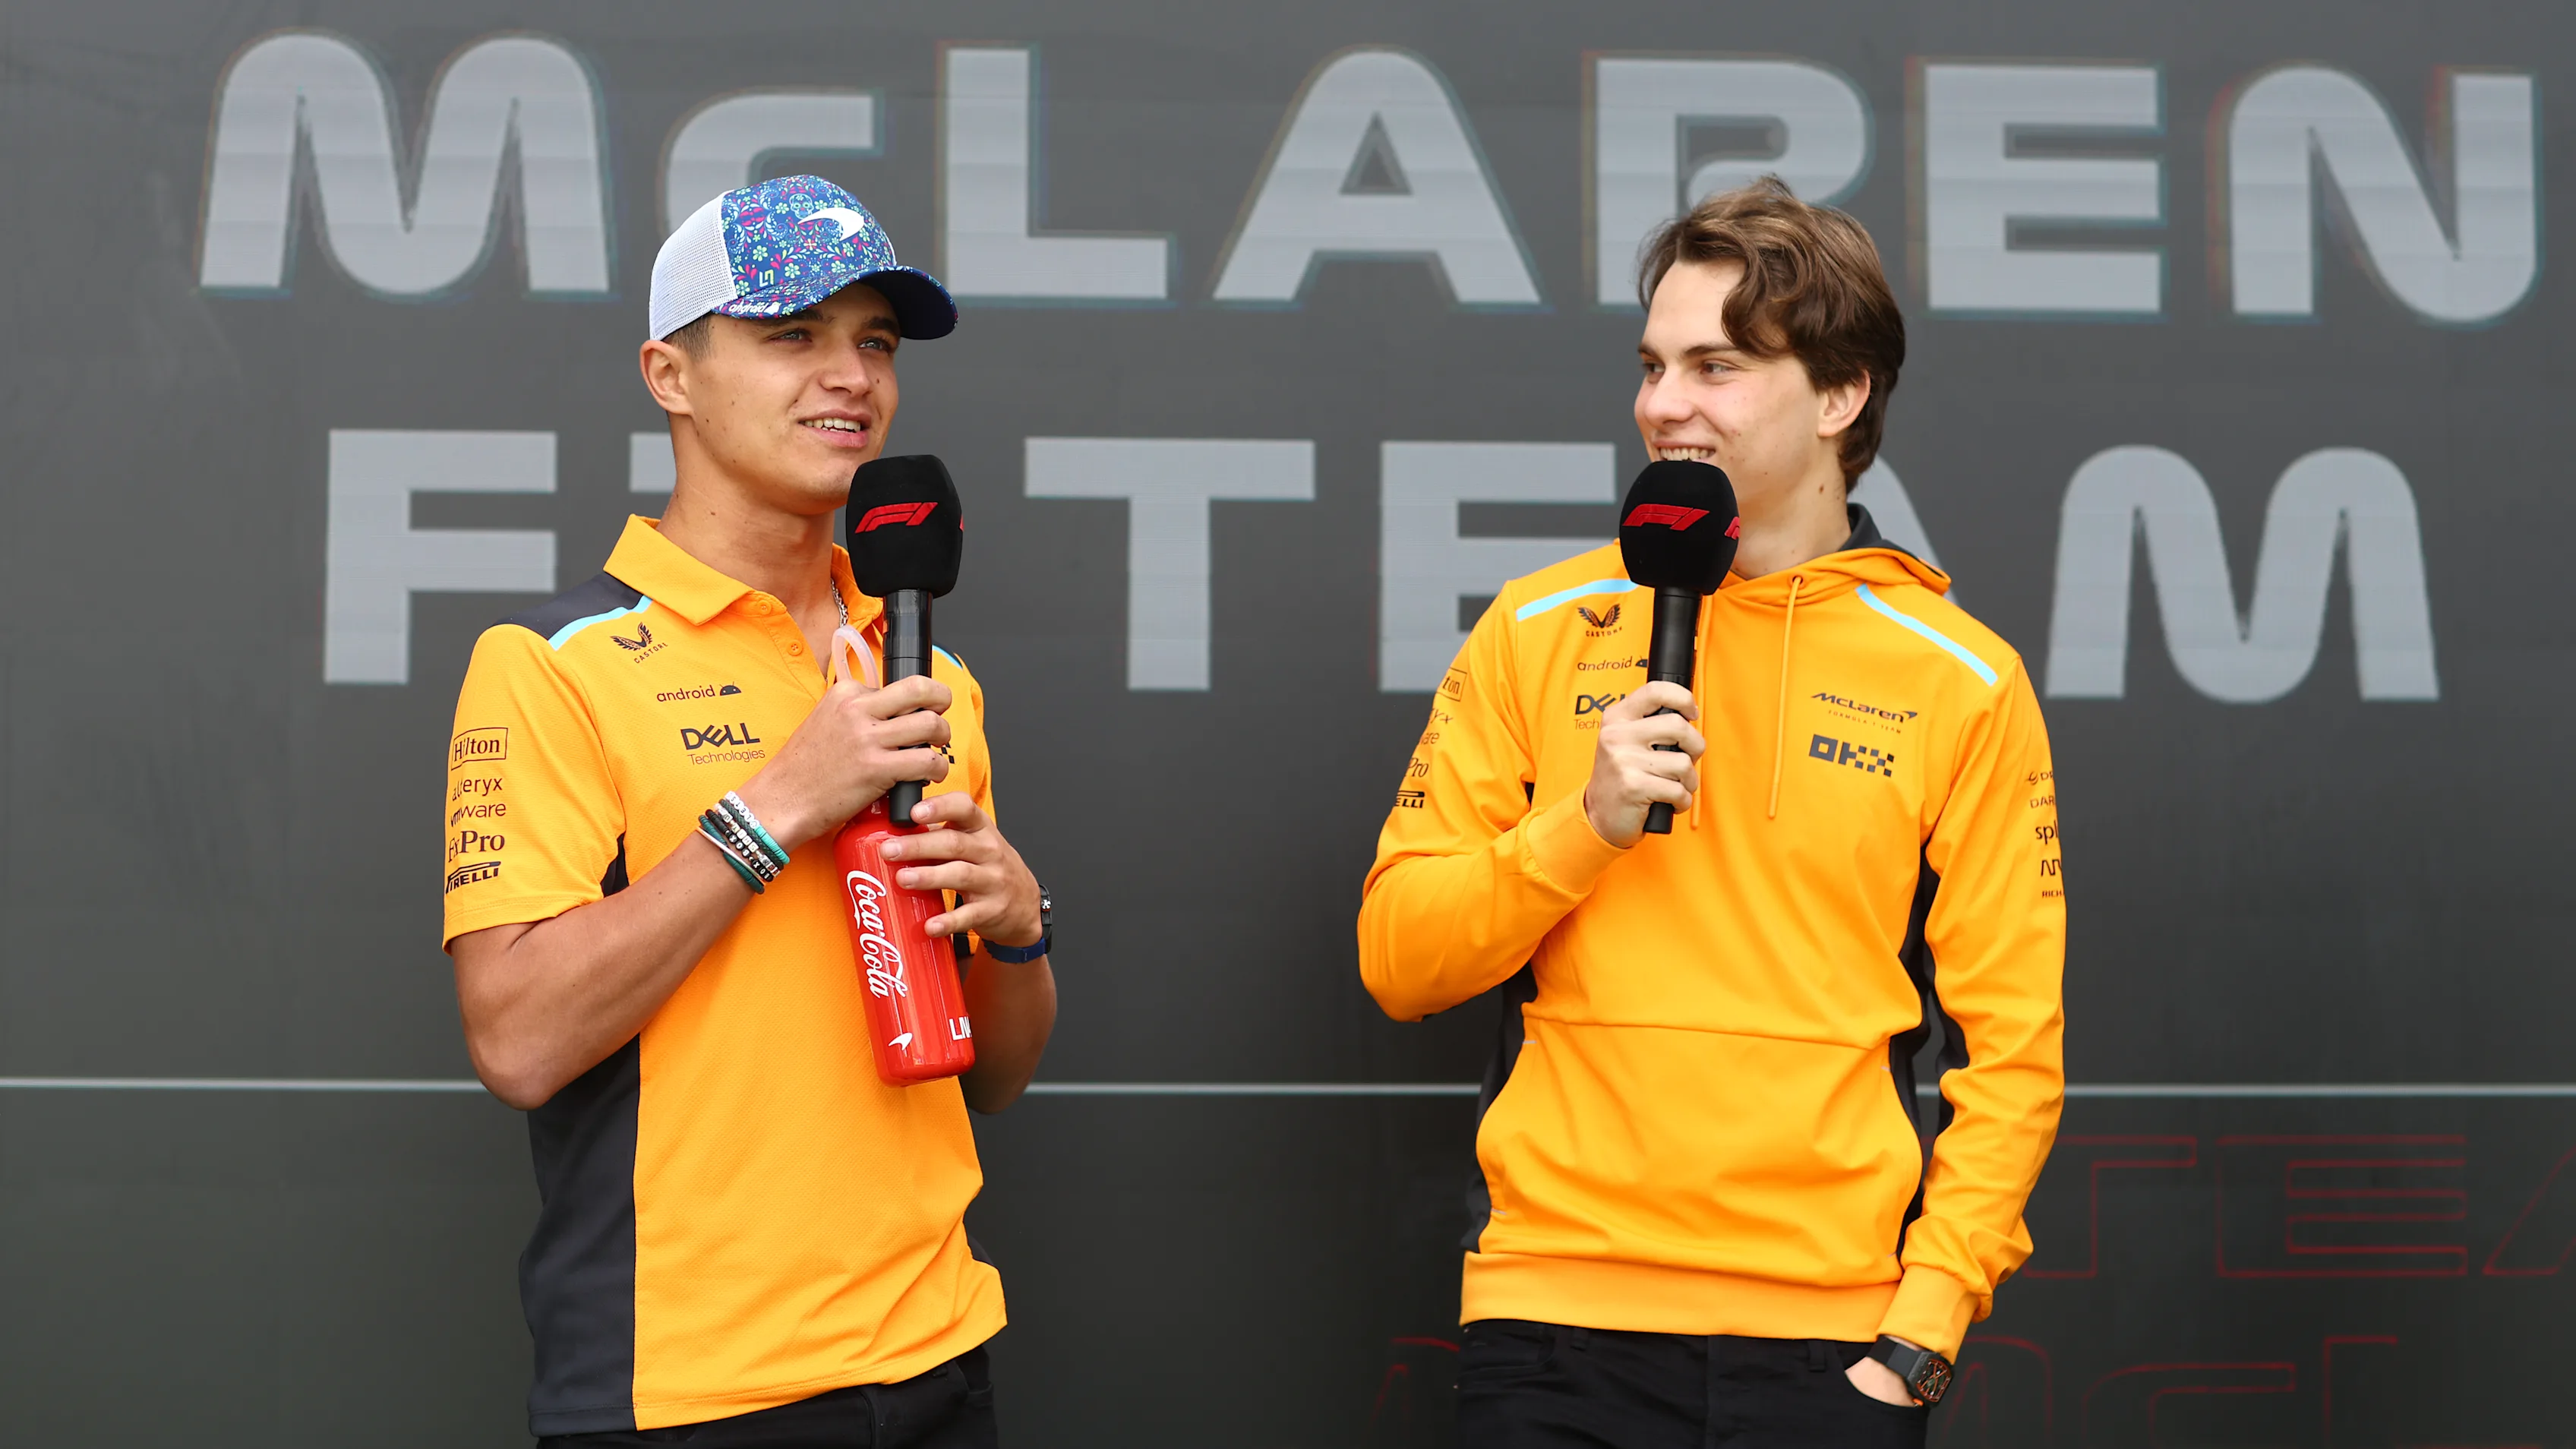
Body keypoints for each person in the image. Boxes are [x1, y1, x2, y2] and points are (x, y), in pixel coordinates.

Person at [1357, 178, 2066, 1446]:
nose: (1661, 404)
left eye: (1717, 366)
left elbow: (2012, 1053)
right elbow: (1401, 959)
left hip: (1830, 1349)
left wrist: (1918, 1343)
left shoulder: (1961, 675)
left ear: (1841, 397)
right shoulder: (1534, 627)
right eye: (1651, 364)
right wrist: (1583, 822)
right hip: (1553, 1328)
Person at [443, 175, 1055, 1447]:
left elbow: (994, 1076)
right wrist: (773, 808)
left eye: (873, 343)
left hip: (941, 1353)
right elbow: (518, 1041)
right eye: (792, 337)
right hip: (693, 1391)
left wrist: (1016, 927)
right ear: (670, 374)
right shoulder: (556, 662)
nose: (850, 377)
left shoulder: (923, 672)